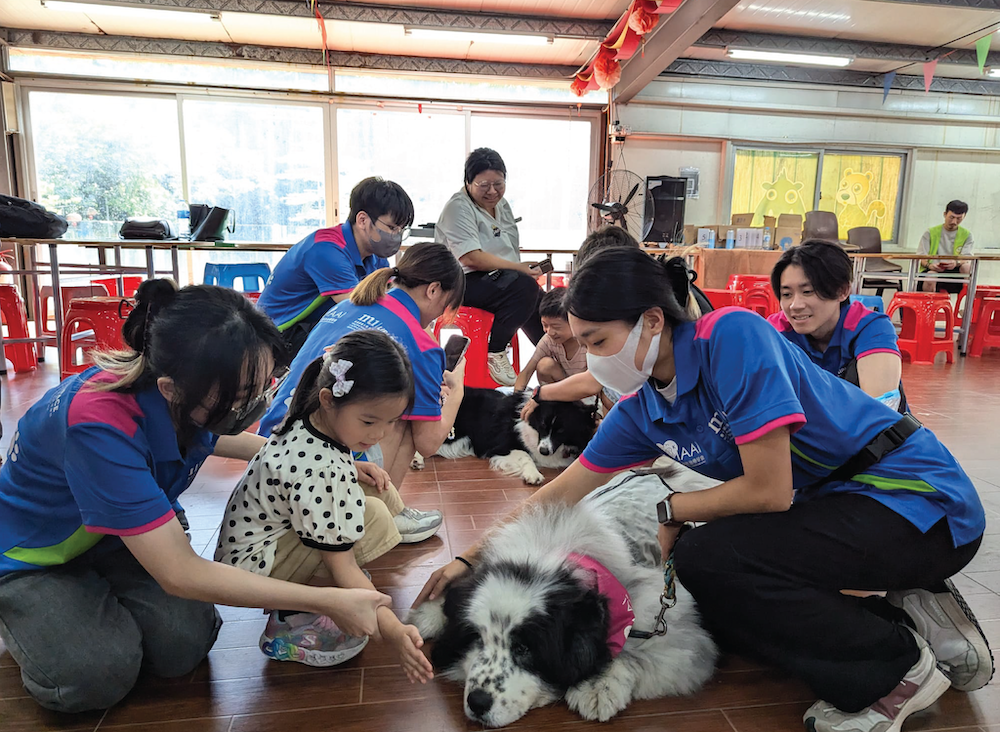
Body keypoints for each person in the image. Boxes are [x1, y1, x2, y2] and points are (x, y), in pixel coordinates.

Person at [417, 247, 989, 732]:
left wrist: (674, 508)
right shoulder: (643, 410)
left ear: (651, 321)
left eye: (598, 339)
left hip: (914, 498)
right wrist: (471, 557)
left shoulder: (731, 338)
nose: (592, 358)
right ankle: (899, 606)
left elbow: (770, 490)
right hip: (840, 510)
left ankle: (898, 670)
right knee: (710, 578)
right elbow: (557, 494)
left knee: (711, 556)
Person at [0, 280, 390, 713]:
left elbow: (228, 440)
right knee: (94, 676)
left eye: (261, 387)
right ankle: (33, 612)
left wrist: (331, 459)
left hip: (118, 538)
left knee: (184, 645)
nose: (253, 405)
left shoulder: (185, 393)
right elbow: (180, 573)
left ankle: (90, 608)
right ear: (172, 389)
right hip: (39, 556)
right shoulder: (98, 426)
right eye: (241, 397)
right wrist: (328, 599)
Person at [216, 331, 434, 682]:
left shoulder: (312, 417)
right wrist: (391, 628)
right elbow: (342, 563)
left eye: (391, 422)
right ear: (329, 399)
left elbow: (314, 469)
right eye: (369, 421)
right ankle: (290, 618)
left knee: (371, 501)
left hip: (249, 549)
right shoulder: (322, 470)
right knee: (373, 519)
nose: (379, 434)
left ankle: (312, 592)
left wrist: (352, 465)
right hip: (252, 572)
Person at [260, 242, 465, 502]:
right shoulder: (421, 344)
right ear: (434, 290)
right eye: (446, 307)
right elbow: (427, 444)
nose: (440, 316)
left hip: (268, 453)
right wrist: (456, 393)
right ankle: (376, 511)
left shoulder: (345, 305)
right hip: (310, 481)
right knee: (400, 409)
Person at [258, 177, 415, 357]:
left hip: (315, 325)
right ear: (363, 220)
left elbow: (392, 298)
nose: (397, 236)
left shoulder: (375, 257)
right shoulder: (326, 250)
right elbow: (359, 309)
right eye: (392, 228)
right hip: (277, 335)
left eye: (402, 230)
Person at [435, 147, 544, 387]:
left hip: (496, 277)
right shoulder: (458, 208)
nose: (493, 191)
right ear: (468, 182)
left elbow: (506, 247)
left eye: (499, 183)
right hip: (463, 282)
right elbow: (471, 257)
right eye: (484, 185)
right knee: (523, 288)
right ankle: (495, 352)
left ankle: (553, 359)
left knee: (547, 305)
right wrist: (519, 269)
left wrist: (523, 269)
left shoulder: (502, 205)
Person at [769, 239, 906, 412]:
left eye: (807, 292)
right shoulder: (776, 331)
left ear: (842, 291)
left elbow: (881, 409)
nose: (795, 305)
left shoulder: (869, 327)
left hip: (869, 433)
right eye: (787, 294)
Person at [512, 288, 586, 393]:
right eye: (545, 325)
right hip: (564, 391)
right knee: (544, 365)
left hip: (586, 390)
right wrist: (515, 399)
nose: (550, 331)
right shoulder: (548, 340)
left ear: (573, 321)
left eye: (556, 327)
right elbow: (527, 371)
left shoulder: (586, 343)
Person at [918, 200, 973, 293]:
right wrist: (930, 265)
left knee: (967, 268)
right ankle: (929, 305)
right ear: (945, 214)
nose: (954, 222)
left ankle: (967, 303)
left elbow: (967, 257)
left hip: (955, 270)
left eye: (959, 218)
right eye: (951, 217)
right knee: (930, 276)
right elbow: (921, 256)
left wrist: (956, 263)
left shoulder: (967, 235)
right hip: (933, 269)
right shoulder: (930, 232)